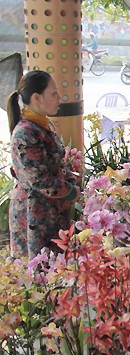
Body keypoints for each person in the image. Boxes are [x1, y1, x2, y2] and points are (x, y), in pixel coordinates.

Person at [7, 70, 80, 259]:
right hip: (34, 214)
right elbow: (40, 180)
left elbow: (57, 164)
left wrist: (71, 179)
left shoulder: (42, 126)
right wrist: (70, 191)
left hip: (52, 210)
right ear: (37, 98)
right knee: (39, 270)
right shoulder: (26, 133)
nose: (59, 98)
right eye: (54, 93)